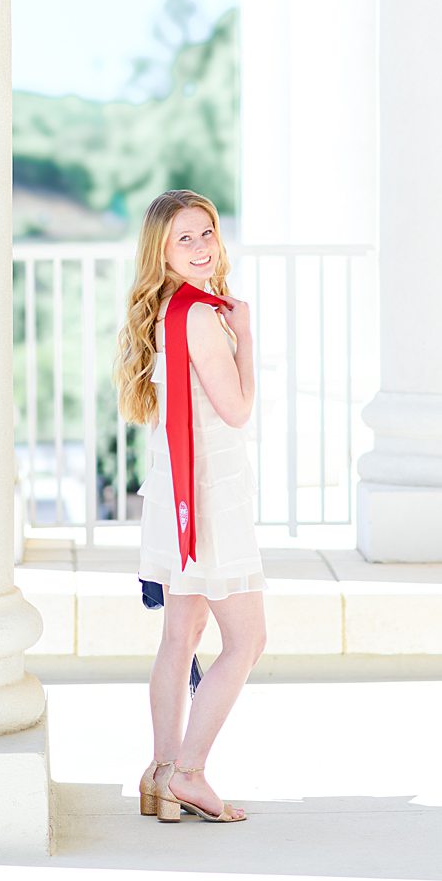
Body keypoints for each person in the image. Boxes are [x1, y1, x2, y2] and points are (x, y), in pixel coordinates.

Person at [113, 189, 267, 825]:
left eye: (207, 233)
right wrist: (247, 336)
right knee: (247, 638)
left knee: (181, 635)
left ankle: (159, 770)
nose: (202, 247)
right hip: (207, 496)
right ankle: (189, 772)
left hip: (176, 486)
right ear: (162, 251)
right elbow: (236, 410)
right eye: (186, 239)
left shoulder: (167, 310)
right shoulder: (204, 317)